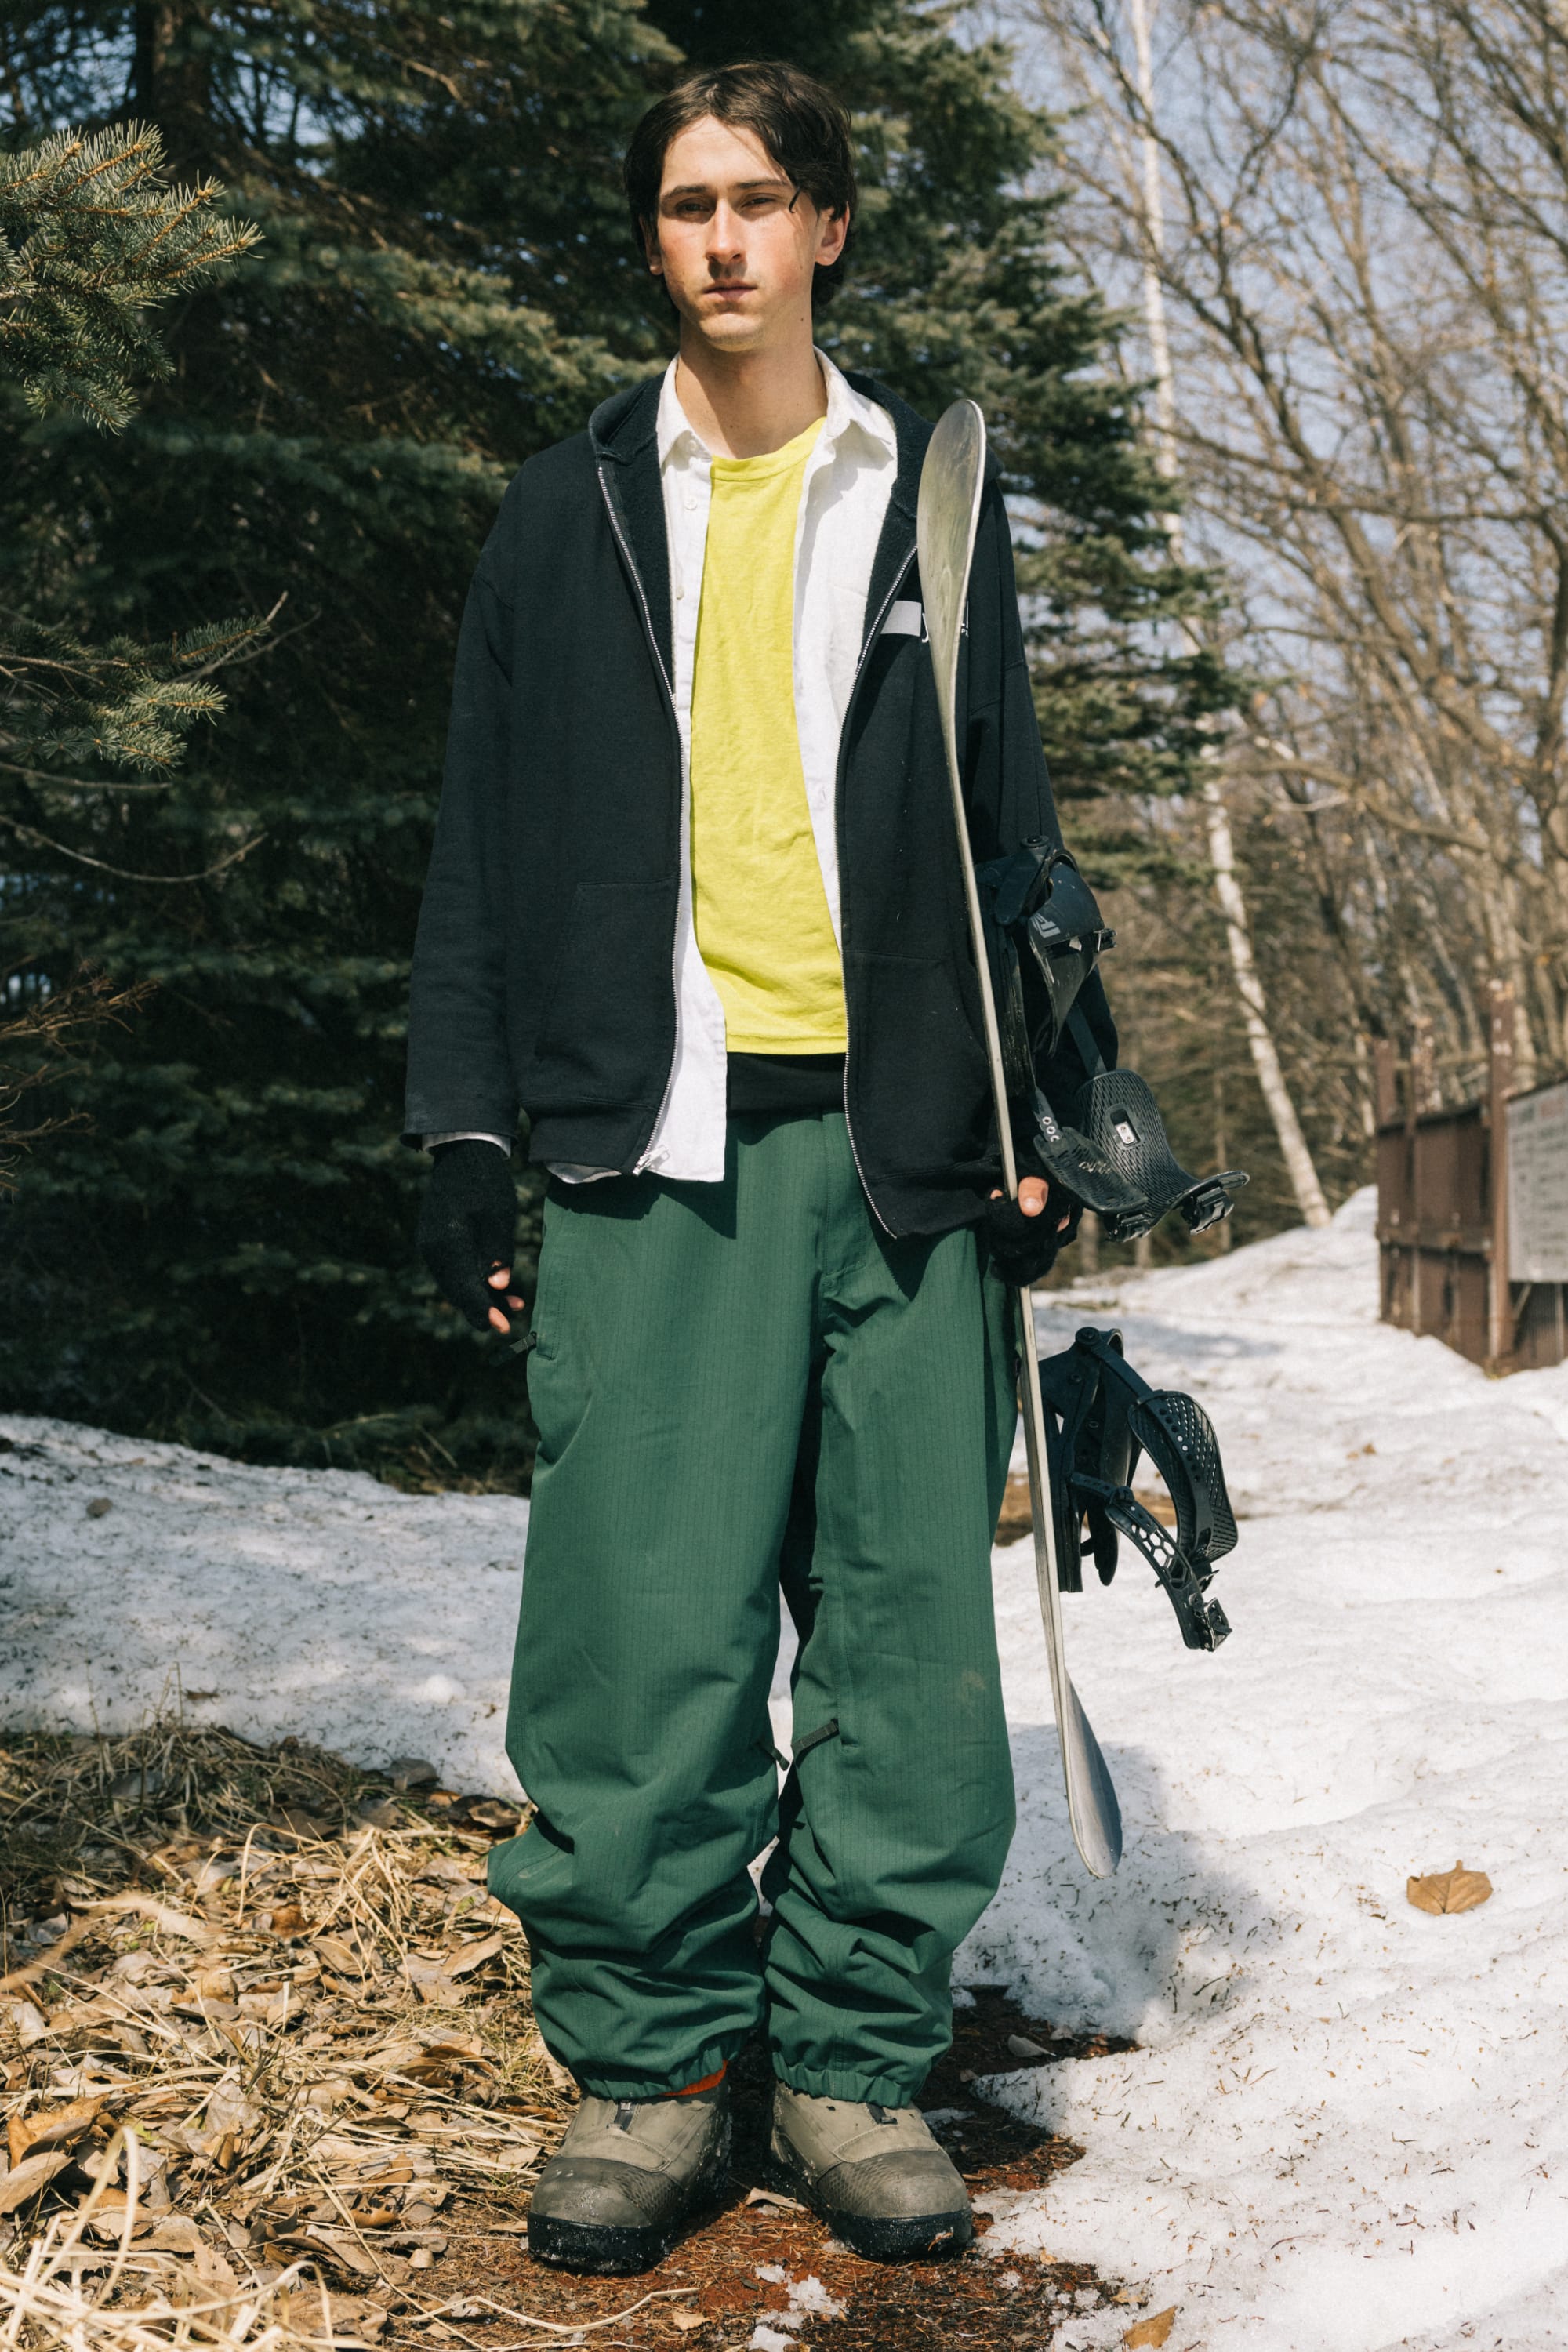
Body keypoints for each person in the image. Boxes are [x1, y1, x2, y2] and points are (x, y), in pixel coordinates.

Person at [404, 58, 1116, 2278]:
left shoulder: (933, 490)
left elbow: (1012, 821)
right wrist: (458, 1121)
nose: (723, 238)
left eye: (762, 201)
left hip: (903, 1145)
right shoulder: (565, 509)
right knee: (641, 1640)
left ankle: (849, 2065)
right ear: (658, 241)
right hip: (657, 1144)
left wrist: (1051, 1112)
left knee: (908, 1637)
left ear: (827, 232)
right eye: (687, 204)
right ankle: (648, 2072)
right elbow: (478, 851)